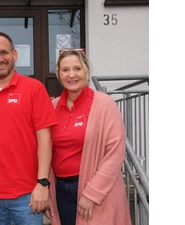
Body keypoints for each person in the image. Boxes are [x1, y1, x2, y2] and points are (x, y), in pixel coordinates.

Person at [0, 31, 58, 225]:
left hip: (27, 194)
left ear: (14, 55)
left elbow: (45, 139)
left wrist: (43, 183)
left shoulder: (34, 89)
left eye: (4, 52)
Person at [45, 49, 132, 225]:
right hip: (62, 191)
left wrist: (92, 193)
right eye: (65, 70)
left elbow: (115, 152)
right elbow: (45, 151)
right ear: (58, 74)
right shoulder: (52, 107)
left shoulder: (104, 104)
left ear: (86, 71)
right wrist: (48, 191)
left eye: (77, 68)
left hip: (97, 190)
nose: (71, 75)